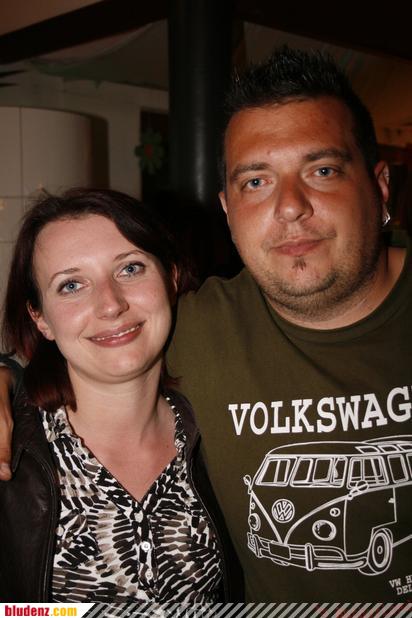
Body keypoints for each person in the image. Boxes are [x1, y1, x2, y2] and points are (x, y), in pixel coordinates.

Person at [1, 46, 411, 602]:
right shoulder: (199, 326)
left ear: (381, 185)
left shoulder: (176, 350)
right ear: (227, 209)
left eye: (322, 170)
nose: (290, 206)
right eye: (256, 182)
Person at [0, 189, 241, 602]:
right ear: (40, 319)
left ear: (172, 277)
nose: (110, 304)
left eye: (130, 268)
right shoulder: (13, 454)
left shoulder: (223, 427)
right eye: (71, 285)